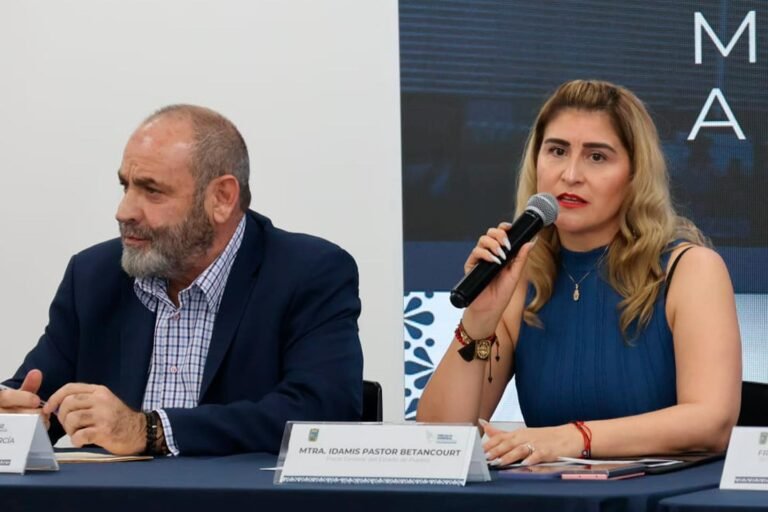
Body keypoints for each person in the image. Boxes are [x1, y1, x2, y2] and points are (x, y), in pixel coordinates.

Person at [0, 105, 363, 456]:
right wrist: (15, 422)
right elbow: (35, 396)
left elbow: (323, 412)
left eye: (152, 190)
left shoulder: (308, 273)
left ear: (222, 198)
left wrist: (150, 431)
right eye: (126, 186)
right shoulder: (94, 276)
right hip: (113, 492)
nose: (124, 211)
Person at [417, 80, 742, 466]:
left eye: (597, 157)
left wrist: (575, 437)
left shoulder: (690, 270)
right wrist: (479, 320)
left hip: (663, 495)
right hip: (550, 494)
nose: (570, 174)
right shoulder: (521, 279)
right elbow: (438, 439)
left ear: (635, 175)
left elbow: (712, 422)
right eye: (557, 151)